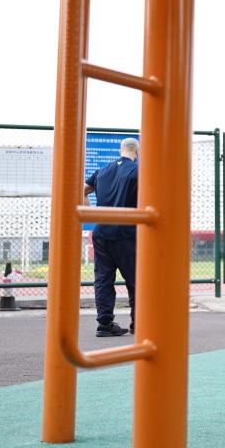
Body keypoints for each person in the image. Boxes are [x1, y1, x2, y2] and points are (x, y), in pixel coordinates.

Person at [83, 138, 139, 337]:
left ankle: (105, 323)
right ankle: (138, 322)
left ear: (119, 150)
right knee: (136, 279)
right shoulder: (138, 171)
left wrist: (90, 214)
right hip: (127, 232)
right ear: (137, 152)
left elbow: (81, 190)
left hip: (101, 232)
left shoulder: (102, 171)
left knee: (103, 279)